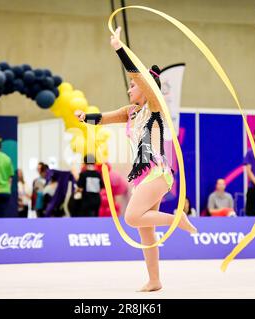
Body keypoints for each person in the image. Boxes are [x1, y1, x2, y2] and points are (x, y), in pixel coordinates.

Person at [74, 26, 196, 292]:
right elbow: (103, 119)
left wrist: (119, 48)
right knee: (145, 229)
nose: (130, 90)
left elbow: (140, 78)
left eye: (132, 86)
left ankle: (178, 218)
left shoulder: (155, 105)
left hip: (159, 172)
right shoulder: (130, 112)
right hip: (143, 174)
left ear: (145, 88)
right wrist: (85, 118)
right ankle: (155, 280)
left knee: (131, 217)